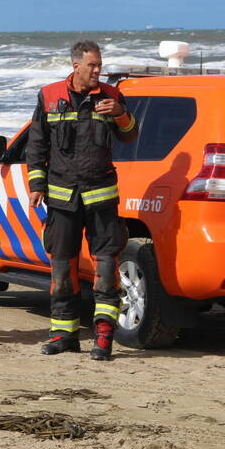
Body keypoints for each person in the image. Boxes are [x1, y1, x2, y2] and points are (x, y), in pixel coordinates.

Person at [27, 40, 139, 360]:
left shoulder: (112, 96)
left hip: (102, 198)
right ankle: (64, 334)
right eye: (92, 66)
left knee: (106, 267)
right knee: (62, 267)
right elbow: (36, 146)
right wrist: (36, 183)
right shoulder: (49, 96)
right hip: (62, 199)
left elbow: (131, 135)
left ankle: (104, 336)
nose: (97, 71)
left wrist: (120, 114)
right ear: (76, 66)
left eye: (99, 65)